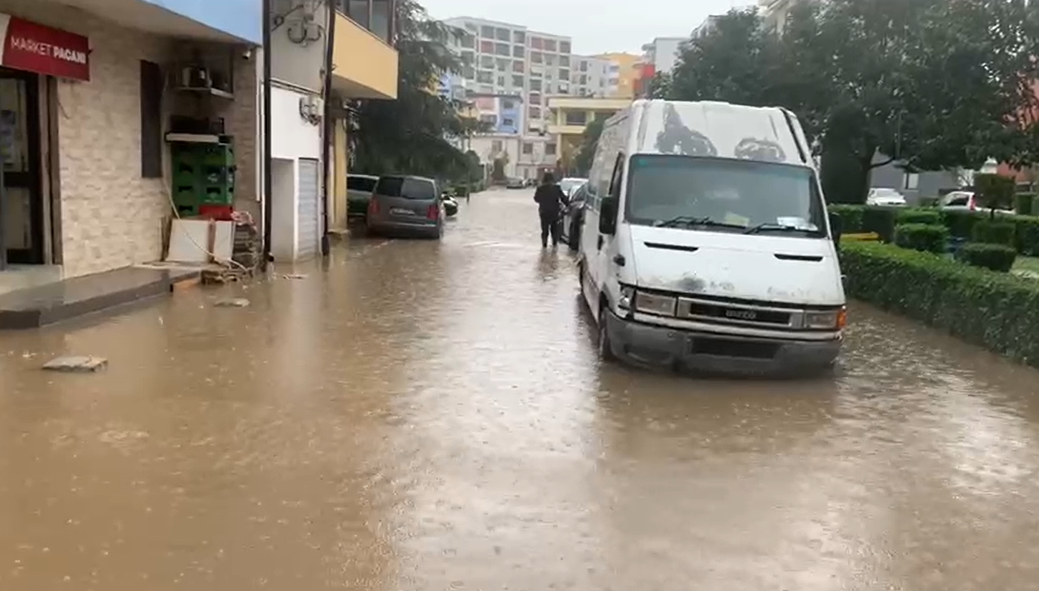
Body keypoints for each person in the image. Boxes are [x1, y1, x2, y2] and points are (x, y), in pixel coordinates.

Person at [533, 172, 569, 248]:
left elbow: (536, 199)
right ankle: (554, 245)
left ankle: (544, 245)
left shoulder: (540, 188)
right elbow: (563, 198)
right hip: (554, 212)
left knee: (544, 229)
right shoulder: (556, 188)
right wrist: (569, 205)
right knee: (554, 229)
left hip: (544, 211)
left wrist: (543, 200)